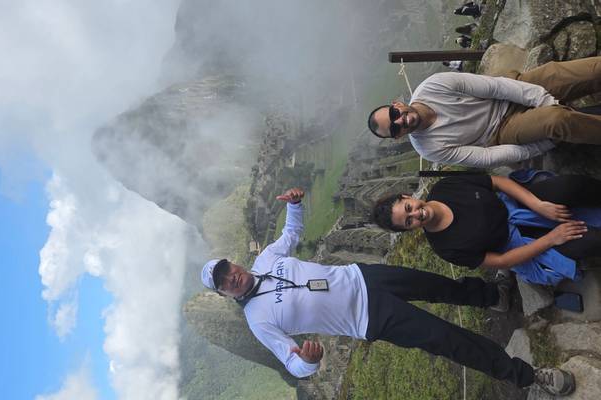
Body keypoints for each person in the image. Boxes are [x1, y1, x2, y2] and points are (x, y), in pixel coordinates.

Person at [200, 187, 576, 396]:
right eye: (223, 282)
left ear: (233, 263)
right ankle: (526, 375)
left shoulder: (267, 258)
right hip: (369, 318)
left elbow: (291, 235)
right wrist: (309, 361)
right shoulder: (257, 320)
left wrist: (295, 206)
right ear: (224, 294)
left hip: (364, 276)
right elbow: (292, 362)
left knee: (438, 286)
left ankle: (490, 296)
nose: (230, 277)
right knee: (445, 338)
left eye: (226, 269)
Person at [366, 57, 601, 168]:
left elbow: (496, 86)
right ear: (397, 137)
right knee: (556, 120)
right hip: (502, 130)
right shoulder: (429, 148)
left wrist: (544, 99)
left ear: (396, 104)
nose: (400, 121)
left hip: (509, 93)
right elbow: (488, 157)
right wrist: (541, 146)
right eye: (395, 128)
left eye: (394, 114)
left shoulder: (434, 86)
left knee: (592, 71)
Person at [372, 173, 601, 285]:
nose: (416, 215)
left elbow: (496, 182)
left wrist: (538, 205)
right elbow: (502, 262)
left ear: (407, 197)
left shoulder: (445, 187)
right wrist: (551, 239)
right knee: (592, 240)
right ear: (409, 230)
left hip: (519, 205)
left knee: (572, 186)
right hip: (522, 242)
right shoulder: (445, 248)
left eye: (409, 208)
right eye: (409, 221)